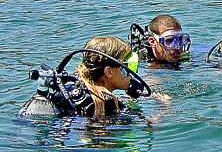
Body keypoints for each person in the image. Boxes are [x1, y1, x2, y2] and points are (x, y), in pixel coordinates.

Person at [18, 36, 150, 118]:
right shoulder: (106, 101)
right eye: (125, 68)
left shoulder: (73, 89)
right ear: (108, 72)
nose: (131, 74)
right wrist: (163, 108)